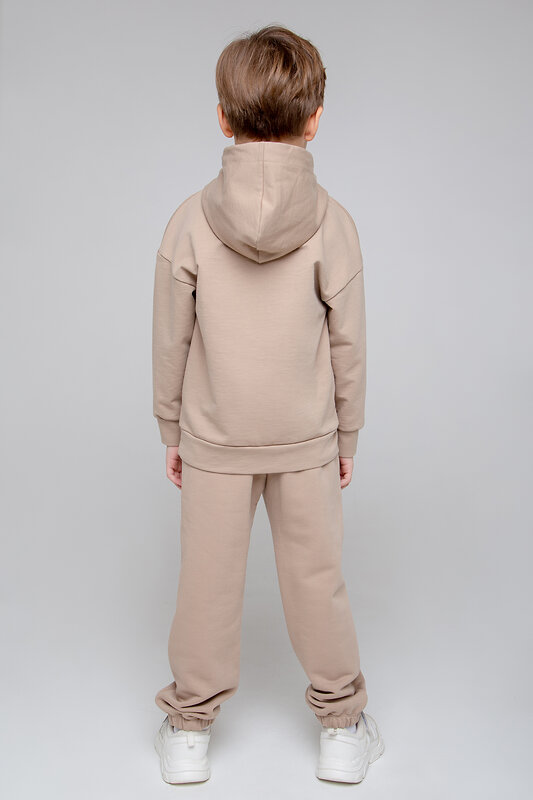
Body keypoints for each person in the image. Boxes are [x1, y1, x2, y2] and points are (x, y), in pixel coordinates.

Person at [151, 24, 384, 785]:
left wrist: (171, 427)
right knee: (317, 581)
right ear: (314, 121)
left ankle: (188, 731)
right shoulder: (333, 223)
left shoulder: (190, 220)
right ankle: (341, 726)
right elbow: (348, 343)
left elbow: (170, 337)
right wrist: (347, 435)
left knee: (205, 584)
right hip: (305, 437)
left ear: (222, 117)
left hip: (214, 436)